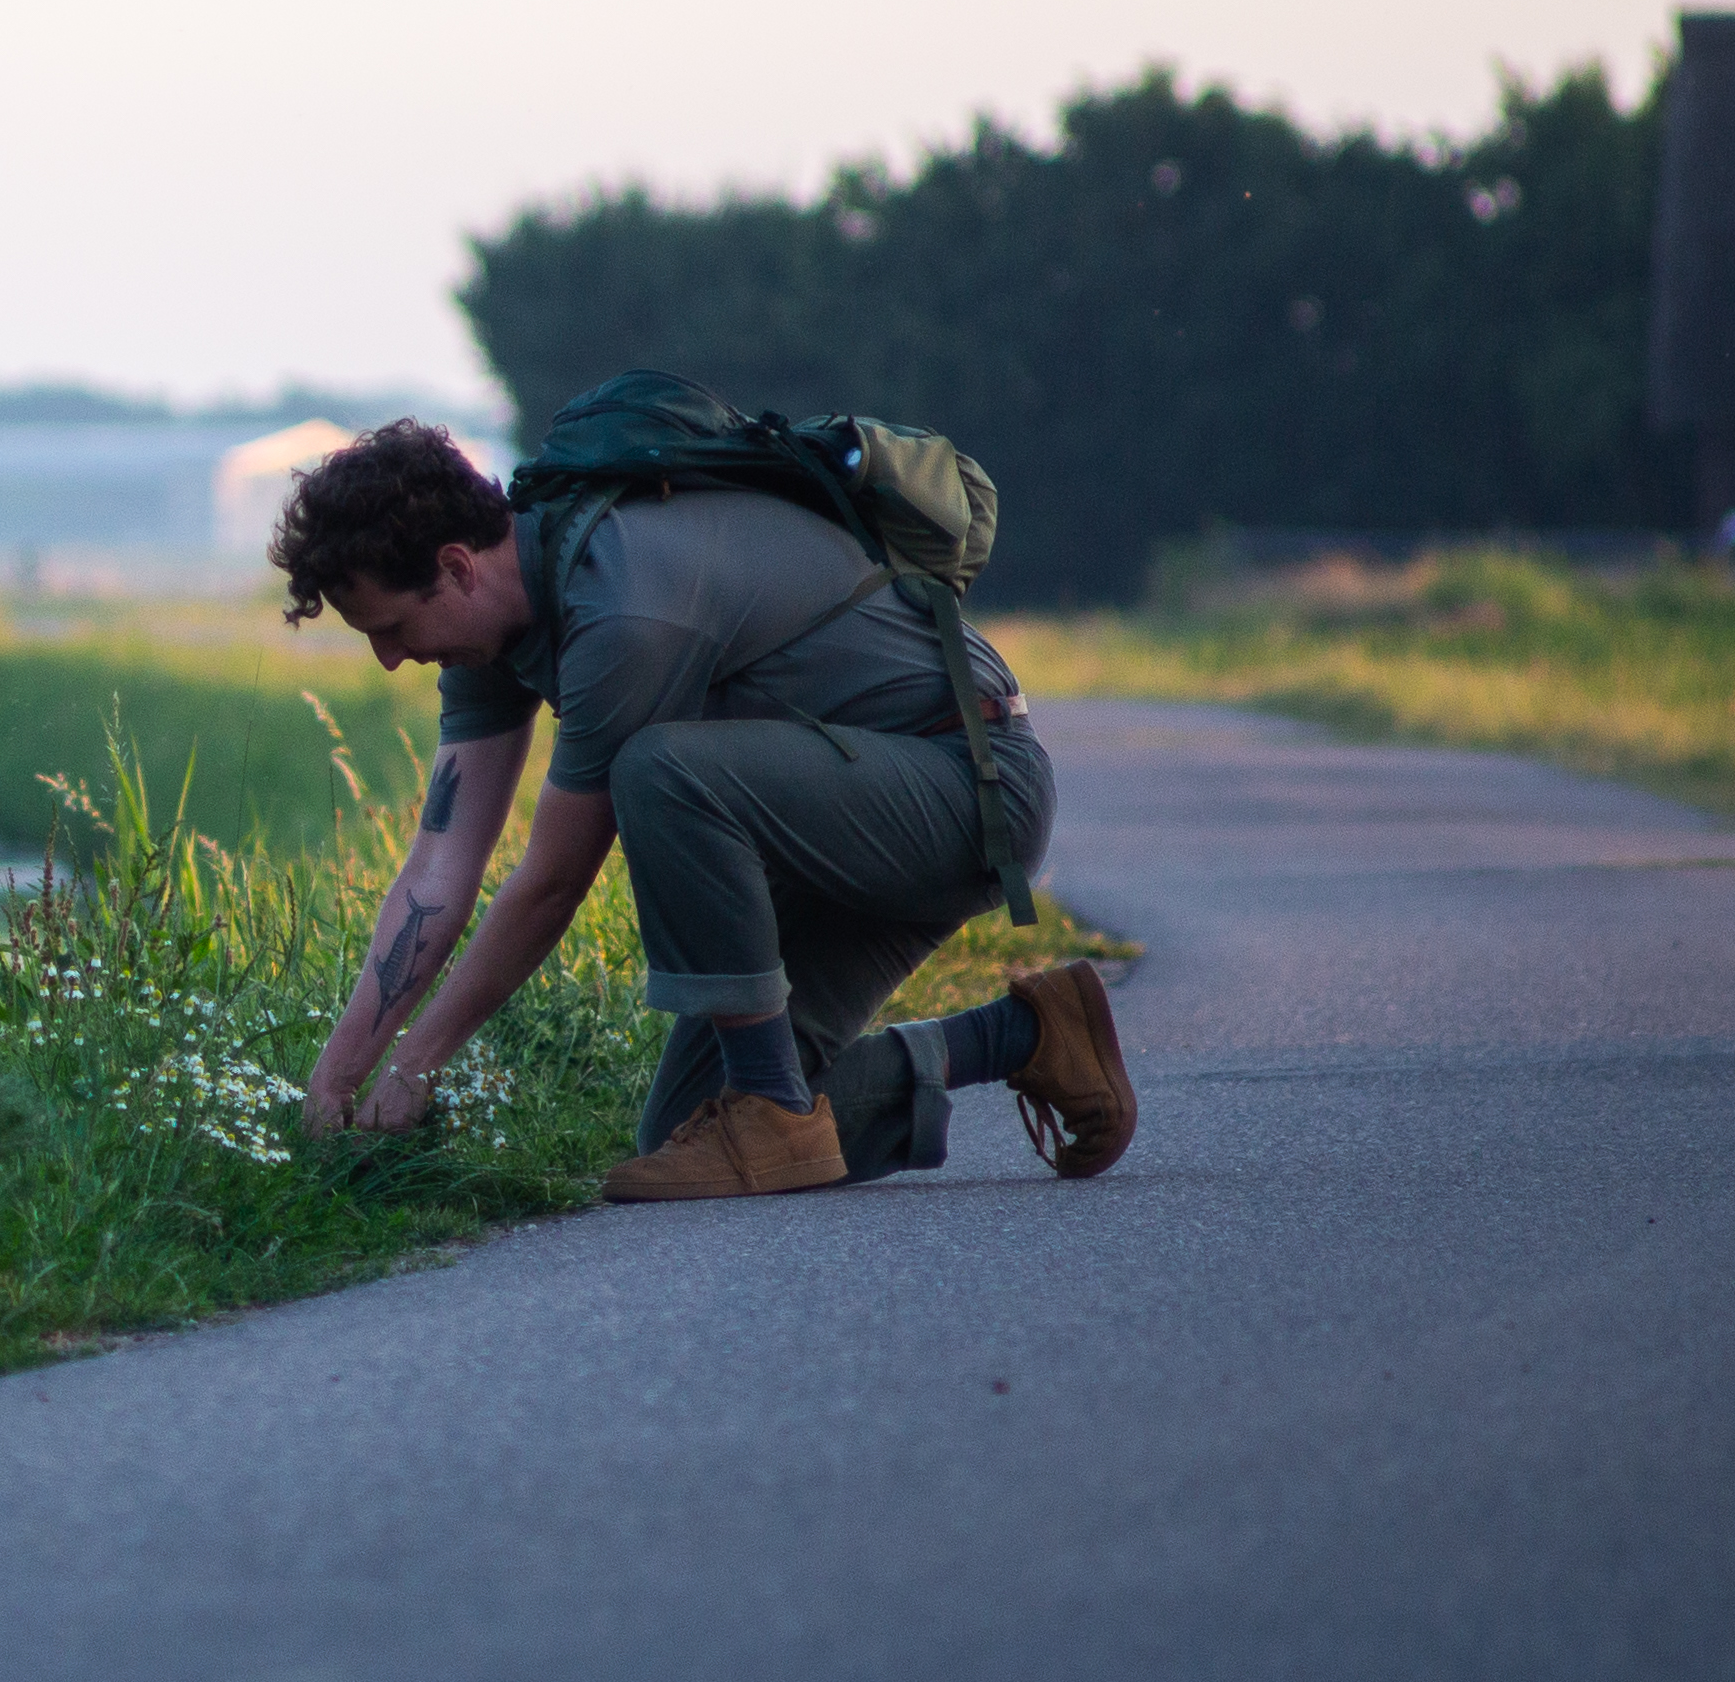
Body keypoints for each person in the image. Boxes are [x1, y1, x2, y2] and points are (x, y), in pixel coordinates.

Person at [271, 418, 1134, 1202]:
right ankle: (1028, 1034)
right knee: (685, 1126)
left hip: (965, 793)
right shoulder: (487, 630)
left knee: (660, 772)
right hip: (827, 826)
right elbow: (439, 865)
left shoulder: (623, 608)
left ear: (456, 567)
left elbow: (551, 883)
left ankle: (771, 1109)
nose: (387, 659)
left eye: (387, 627)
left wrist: (418, 1065)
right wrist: (336, 1080)